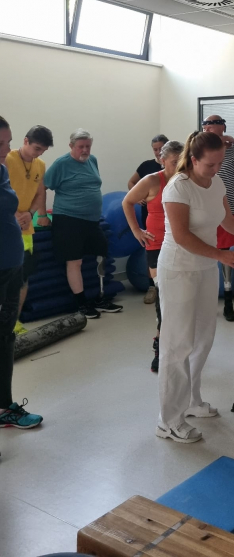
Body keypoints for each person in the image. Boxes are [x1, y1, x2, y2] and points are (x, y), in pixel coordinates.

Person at [157, 131, 234, 444]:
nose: (216, 169)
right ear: (193, 160)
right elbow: (182, 236)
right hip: (179, 269)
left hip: (205, 267)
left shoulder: (216, 182)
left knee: (203, 338)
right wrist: (221, 255)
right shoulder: (178, 187)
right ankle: (168, 420)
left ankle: (192, 401)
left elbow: (226, 220)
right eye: (210, 164)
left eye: (220, 163)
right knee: (177, 344)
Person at [44, 129, 122, 319]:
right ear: (71, 146)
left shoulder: (92, 160)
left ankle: (100, 297)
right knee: (75, 261)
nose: (85, 150)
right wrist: (41, 214)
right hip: (68, 219)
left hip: (92, 220)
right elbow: (42, 187)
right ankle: (81, 304)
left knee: (102, 252)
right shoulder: (61, 164)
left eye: (88, 146)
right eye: (81, 147)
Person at [122, 140, 184, 373]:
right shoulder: (151, 181)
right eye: (175, 162)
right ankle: (160, 344)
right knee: (163, 295)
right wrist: (136, 230)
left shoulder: (186, 180)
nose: (179, 166)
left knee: (181, 297)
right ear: (162, 160)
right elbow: (127, 201)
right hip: (157, 245)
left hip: (182, 244)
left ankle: (180, 344)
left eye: (183, 161)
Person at [0, 116, 42, 431]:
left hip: (11, 263)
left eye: (8, 141)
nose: (6, 149)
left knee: (5, 337)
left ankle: (5, 406)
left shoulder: (1, 170)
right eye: (0, 143)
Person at [201, 114, 234, 322]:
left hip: (227, 212)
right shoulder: (200, 148)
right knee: (202, 255)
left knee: (226, 258)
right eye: (205, 125)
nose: (207, 127)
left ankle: (228, 302)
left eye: (212, 124)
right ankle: (204, 302)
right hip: (202, 212)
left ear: (222, 126)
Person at [5, 125, 53, 335]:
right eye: (37, 148)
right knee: (5, 277)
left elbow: (40, 193)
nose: (39, 153)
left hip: (25, 230)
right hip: (5, 226)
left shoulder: (40, 165)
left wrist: (30, 214)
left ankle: (13, 322)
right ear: (25, 141)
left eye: (43, 150)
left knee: (22, 278)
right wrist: (14, 213)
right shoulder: (7, 159)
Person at [127, 134, 169, 305]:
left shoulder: (175, 168)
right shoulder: (147, 167)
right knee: (152, 255)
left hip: (171, 220)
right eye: (155, 149)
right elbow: (131, 183)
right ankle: (152, 287)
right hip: (150, 218)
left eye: (161, 148)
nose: (158, 152)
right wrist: (138, 197)